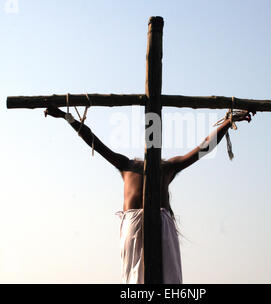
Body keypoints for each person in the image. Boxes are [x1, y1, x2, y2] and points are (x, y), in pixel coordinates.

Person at [44, 105, 252, 283]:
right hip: (135, 222)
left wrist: (227, 123)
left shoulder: (163, 166)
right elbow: (93, 141)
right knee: (137, 279)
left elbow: (203, 148)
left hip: (157, 221)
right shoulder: (128, 164)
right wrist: (66, 117)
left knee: (164, 278)